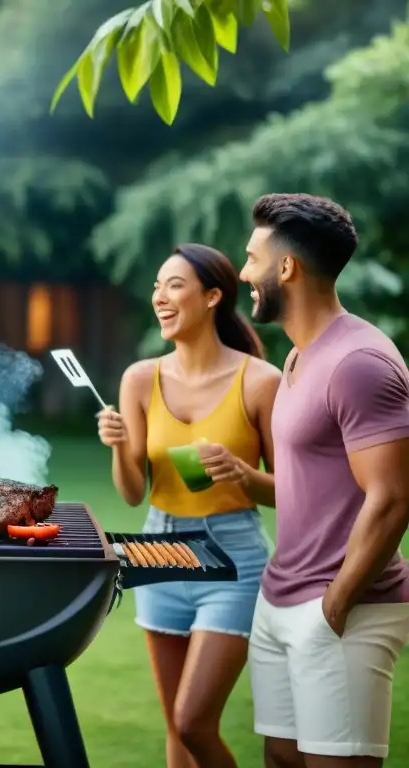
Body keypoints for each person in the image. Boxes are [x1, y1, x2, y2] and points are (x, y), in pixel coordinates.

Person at [240, 193, 409, 768]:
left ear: (286, 267)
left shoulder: (357, 363)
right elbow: (310, 484)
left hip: (341, 610)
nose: (244, 274)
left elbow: (391, 497)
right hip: (280, 598)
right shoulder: (298, 357)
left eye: (251, 257)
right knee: (282, 760)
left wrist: (335, 604)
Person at [97, 244, 282, 768]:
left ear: (213, 296)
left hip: (233, 555)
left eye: (174, 285)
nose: (160, 296)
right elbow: (133, 492)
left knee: (193, 721)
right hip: (157, 547)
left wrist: (244, 475)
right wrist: (118, 447)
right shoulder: (139, 379)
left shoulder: (260, 382)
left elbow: (294, 489)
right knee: (174, 730)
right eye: (157, 285)